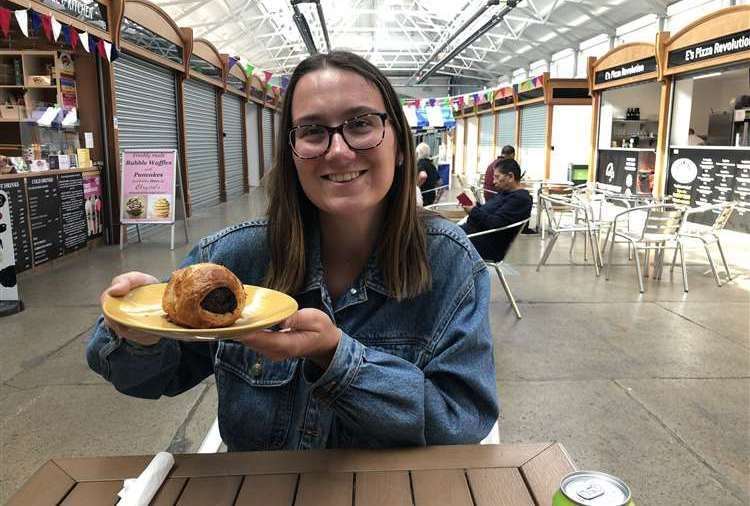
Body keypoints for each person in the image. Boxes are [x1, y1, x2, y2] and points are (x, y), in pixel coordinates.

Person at [87, 51, 498, 452]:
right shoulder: (233, 258)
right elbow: (153, 377)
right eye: (313, 131)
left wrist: (336, 357)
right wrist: (137, 335)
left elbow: (462, 420)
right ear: (292, 155)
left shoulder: (449, 265)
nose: (338, 150)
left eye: (361, 124)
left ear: (401, 146)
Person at [461, 158, 532, 262]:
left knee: (438, 239)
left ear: (510, 177)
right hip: (474, 235)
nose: (494, 182)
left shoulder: (520, 199)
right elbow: (489, 212)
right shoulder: (505, 193)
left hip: (487, 245)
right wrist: (474, 206)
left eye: (497, 177)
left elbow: (495, 223)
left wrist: (473, 211)